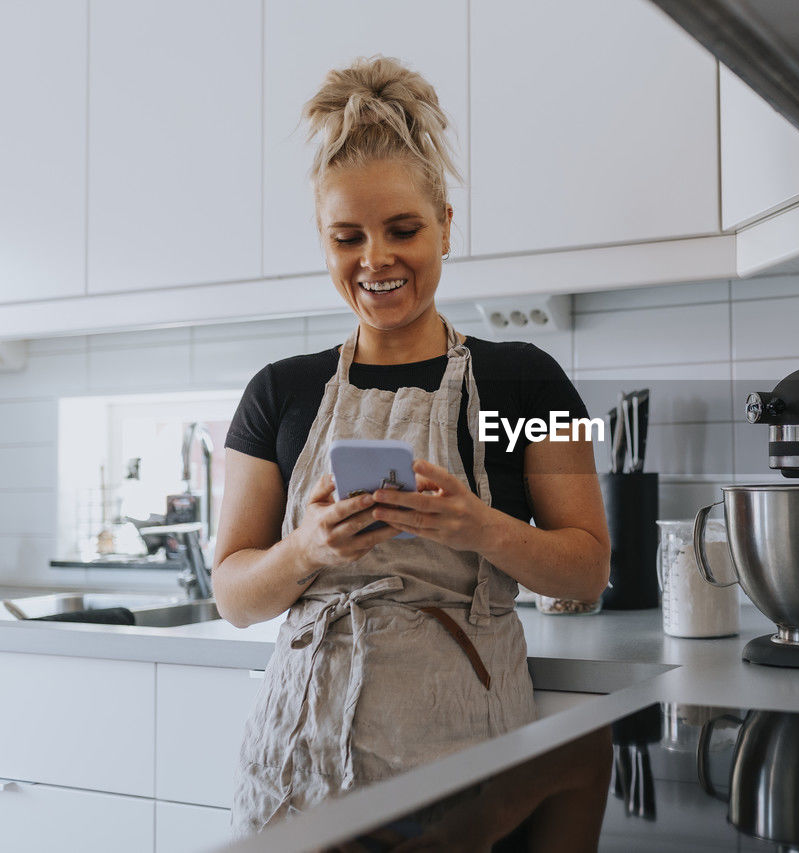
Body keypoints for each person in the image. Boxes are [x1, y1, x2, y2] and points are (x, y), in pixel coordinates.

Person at [213, 56, 610, 836]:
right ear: (324, 243)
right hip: (296, 776)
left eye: (403, 230)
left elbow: (589, 567)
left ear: (446, 227)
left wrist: (477, 527)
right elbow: (232, 592)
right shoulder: (276, 391)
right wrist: (307, 549)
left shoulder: (529, 383)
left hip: (463, 772)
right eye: (347, 237)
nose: (375, 260)